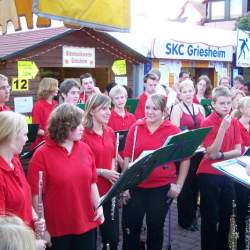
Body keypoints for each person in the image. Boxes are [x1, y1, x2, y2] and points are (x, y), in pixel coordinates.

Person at [28, 104, 104, 250]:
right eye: (79, 124)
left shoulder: (85, 148)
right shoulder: (41, 155)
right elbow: (36, 196)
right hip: (58, 228)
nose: (83, 128)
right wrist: (43, 229)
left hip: (86, 221)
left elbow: (92, 182)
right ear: (65, 126)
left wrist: (98, 207)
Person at [122, 94, 190, 250]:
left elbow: (186, 158)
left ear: (164, 111)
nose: (150, 112)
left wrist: (178, 186)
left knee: (155, 229)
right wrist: (124, 186)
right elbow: (127, 157)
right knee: (131, 229)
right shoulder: (136, 128)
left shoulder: (172, 129)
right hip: (135, 186)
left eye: (155, 108)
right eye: (147, 107)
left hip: (161, 187)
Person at [197, 86, 242, 250]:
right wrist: (222, 128)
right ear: (213, 104)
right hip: (209, 173)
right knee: (210, 217)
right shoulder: (206, 122)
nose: (226, 106)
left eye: (229, 103)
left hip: (228, 172)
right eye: (222, 103)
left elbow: (239, 150)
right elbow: (211, 153)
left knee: (228, 216)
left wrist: (222, 156)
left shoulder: (234, 121)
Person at [0, 111, 46, 248]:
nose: (27, 139)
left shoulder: (15, 162)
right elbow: (3, 232)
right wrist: (32, 244)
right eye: (25, 134)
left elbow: (25, 197)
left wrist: (35, 218)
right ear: (11, 136)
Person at [82, 94, 120, 250]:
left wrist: (112, 172)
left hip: (108, 191)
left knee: (112, 239)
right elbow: (80, 168)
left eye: (109, 108)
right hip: (89, 192)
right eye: (103, 108)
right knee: (90, 240)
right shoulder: (82, 134)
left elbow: (112, 157)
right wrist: (103, 172)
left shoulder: (110, 131)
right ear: (91, 111)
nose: (108, 112)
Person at [170, 80, 205, 231]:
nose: (188, 94)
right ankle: (185, 220)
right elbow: (175, 132)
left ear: (194, 92)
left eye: (190, 91)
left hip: (199, 153)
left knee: (196, 185)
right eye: (185, 92)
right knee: (186, 187)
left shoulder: (200, 108)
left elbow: (205, 129)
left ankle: (192, 218)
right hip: (185, 153)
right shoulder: (177, 109)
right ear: (180, 94)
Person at [233, 96, 250, 250]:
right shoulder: (236, 125)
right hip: (239, 171)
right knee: (240, 211)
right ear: (242, 110)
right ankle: (239, 243)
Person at [108, 85, 136, 168]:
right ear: (112, 101)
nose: (120, 100)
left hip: (130, 158)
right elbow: (110, 142)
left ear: (126, 98)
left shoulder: (132, 117)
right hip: (115, 158)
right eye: (117, 98)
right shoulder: (109, 117)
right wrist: (121, 161)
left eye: (122, 97)